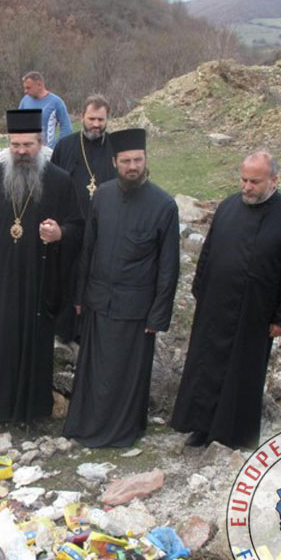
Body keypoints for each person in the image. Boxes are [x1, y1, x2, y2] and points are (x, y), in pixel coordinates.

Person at [171, 151, 281, 449]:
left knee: (241, 376)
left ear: (274, 180)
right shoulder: (228, 207)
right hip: (214, 307)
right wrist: (200, 288)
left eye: (255, 182)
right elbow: (208, 252)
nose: (247, 187)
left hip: (255, 314)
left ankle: (232, 436)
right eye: (244, 179)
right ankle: (200, 427)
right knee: (205, 369)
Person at [0, 109, 82, 425]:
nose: (22, 152)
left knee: (32, 345)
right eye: (15, 145)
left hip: (38, 281)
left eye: (28, 145)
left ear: (40, 143)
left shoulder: (60, 182)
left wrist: (59, 233)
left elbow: (79, 226)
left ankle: (29, 410)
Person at [63, 128, 179, 447]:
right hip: (99, 301)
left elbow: (169, 268)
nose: (132, 166)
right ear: (115, 162)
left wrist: (158, 316)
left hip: (136, 310)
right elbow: (89, 248)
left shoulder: (164, 205)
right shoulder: (102, 195)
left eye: (137, 160)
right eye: (126, 160)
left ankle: (122, 433)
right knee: (95, 372)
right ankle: (86, 425)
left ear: (145, 161)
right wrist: (79, 295)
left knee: (125, 376)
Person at [51, 93, 118, 341]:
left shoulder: (115, 147)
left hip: (104, 230)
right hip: (70, 227)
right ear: (82, 117)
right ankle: (63, 330)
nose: (96, 125)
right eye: (92, 119)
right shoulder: (65, 146)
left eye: (101, 120)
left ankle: (88, 332)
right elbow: (53, 184)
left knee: (95, 280)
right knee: (66, 278)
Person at [19, 71, 72, 149]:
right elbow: (19, 125)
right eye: (25, 88)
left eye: (28, 88)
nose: (25, 91)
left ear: (39, 85)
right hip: (28, 151)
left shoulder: (56, 102)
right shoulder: (24, 101)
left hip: (47, 151)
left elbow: (66, 128)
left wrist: (56, 147)